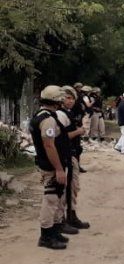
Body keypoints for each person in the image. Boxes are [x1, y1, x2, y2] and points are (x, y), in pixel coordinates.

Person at [29, 86, 71, 249]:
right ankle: (46, 236)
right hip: (51, 166)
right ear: (56, 100)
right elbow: (49, 145)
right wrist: (59, 169)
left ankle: (53, 231)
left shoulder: (41, 115)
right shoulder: (47, 119)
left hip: (49, 163)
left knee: (56, 197)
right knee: (51, 199)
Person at [60, 86, 90, 229]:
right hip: (66, 155)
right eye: (67, 97)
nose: (70, 100)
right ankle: (64, 219)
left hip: (73, 153)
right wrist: (78, 131)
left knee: (73, 187)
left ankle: (71, 215)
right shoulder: (60, 114)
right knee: (66, 189)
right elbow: (61, 137)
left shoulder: (69, 113)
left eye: (72, 98)